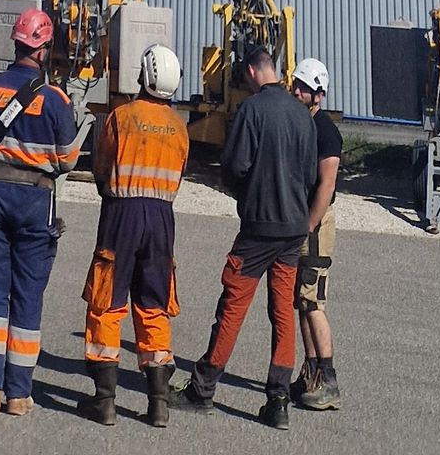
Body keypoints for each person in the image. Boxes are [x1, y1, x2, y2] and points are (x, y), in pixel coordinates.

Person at [179, 45, 318, 429]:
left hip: (258, 228)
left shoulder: (252, 110)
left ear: (254, 72)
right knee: (282, 313)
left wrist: (247, 194)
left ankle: (203, 389)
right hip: (292, 230)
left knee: (233, 306)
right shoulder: (302, 115)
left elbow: (234, 167)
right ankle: (278, 401)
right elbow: (310, 176)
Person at [0, 5, 84, 416]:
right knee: (28, 295)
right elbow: (68, 161)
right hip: (35, 201)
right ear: (44, 50)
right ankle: (18, 395)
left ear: (15, 44)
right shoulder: (56, 100)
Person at [81, 42, 190, 429]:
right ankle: (158, 403)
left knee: (107, 301)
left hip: (121, 214)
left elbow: (101, 166)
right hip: (161, 220)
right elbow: (178, 175)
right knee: (154, 303)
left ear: (143, 76)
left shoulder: (121, 117)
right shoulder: (180, 126)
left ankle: (104, 401)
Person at [290, 59, 344, 413]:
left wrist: (308, 224)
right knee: (302, 301)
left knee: (313, 302)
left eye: (304, 88)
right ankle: (309, 373)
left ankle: (328, 380)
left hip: (316, 226)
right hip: (302, 223)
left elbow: (326, 185)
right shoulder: (301, 123)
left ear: (318, 95)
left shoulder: (326, 132)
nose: (296, 91)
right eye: (295, 84)